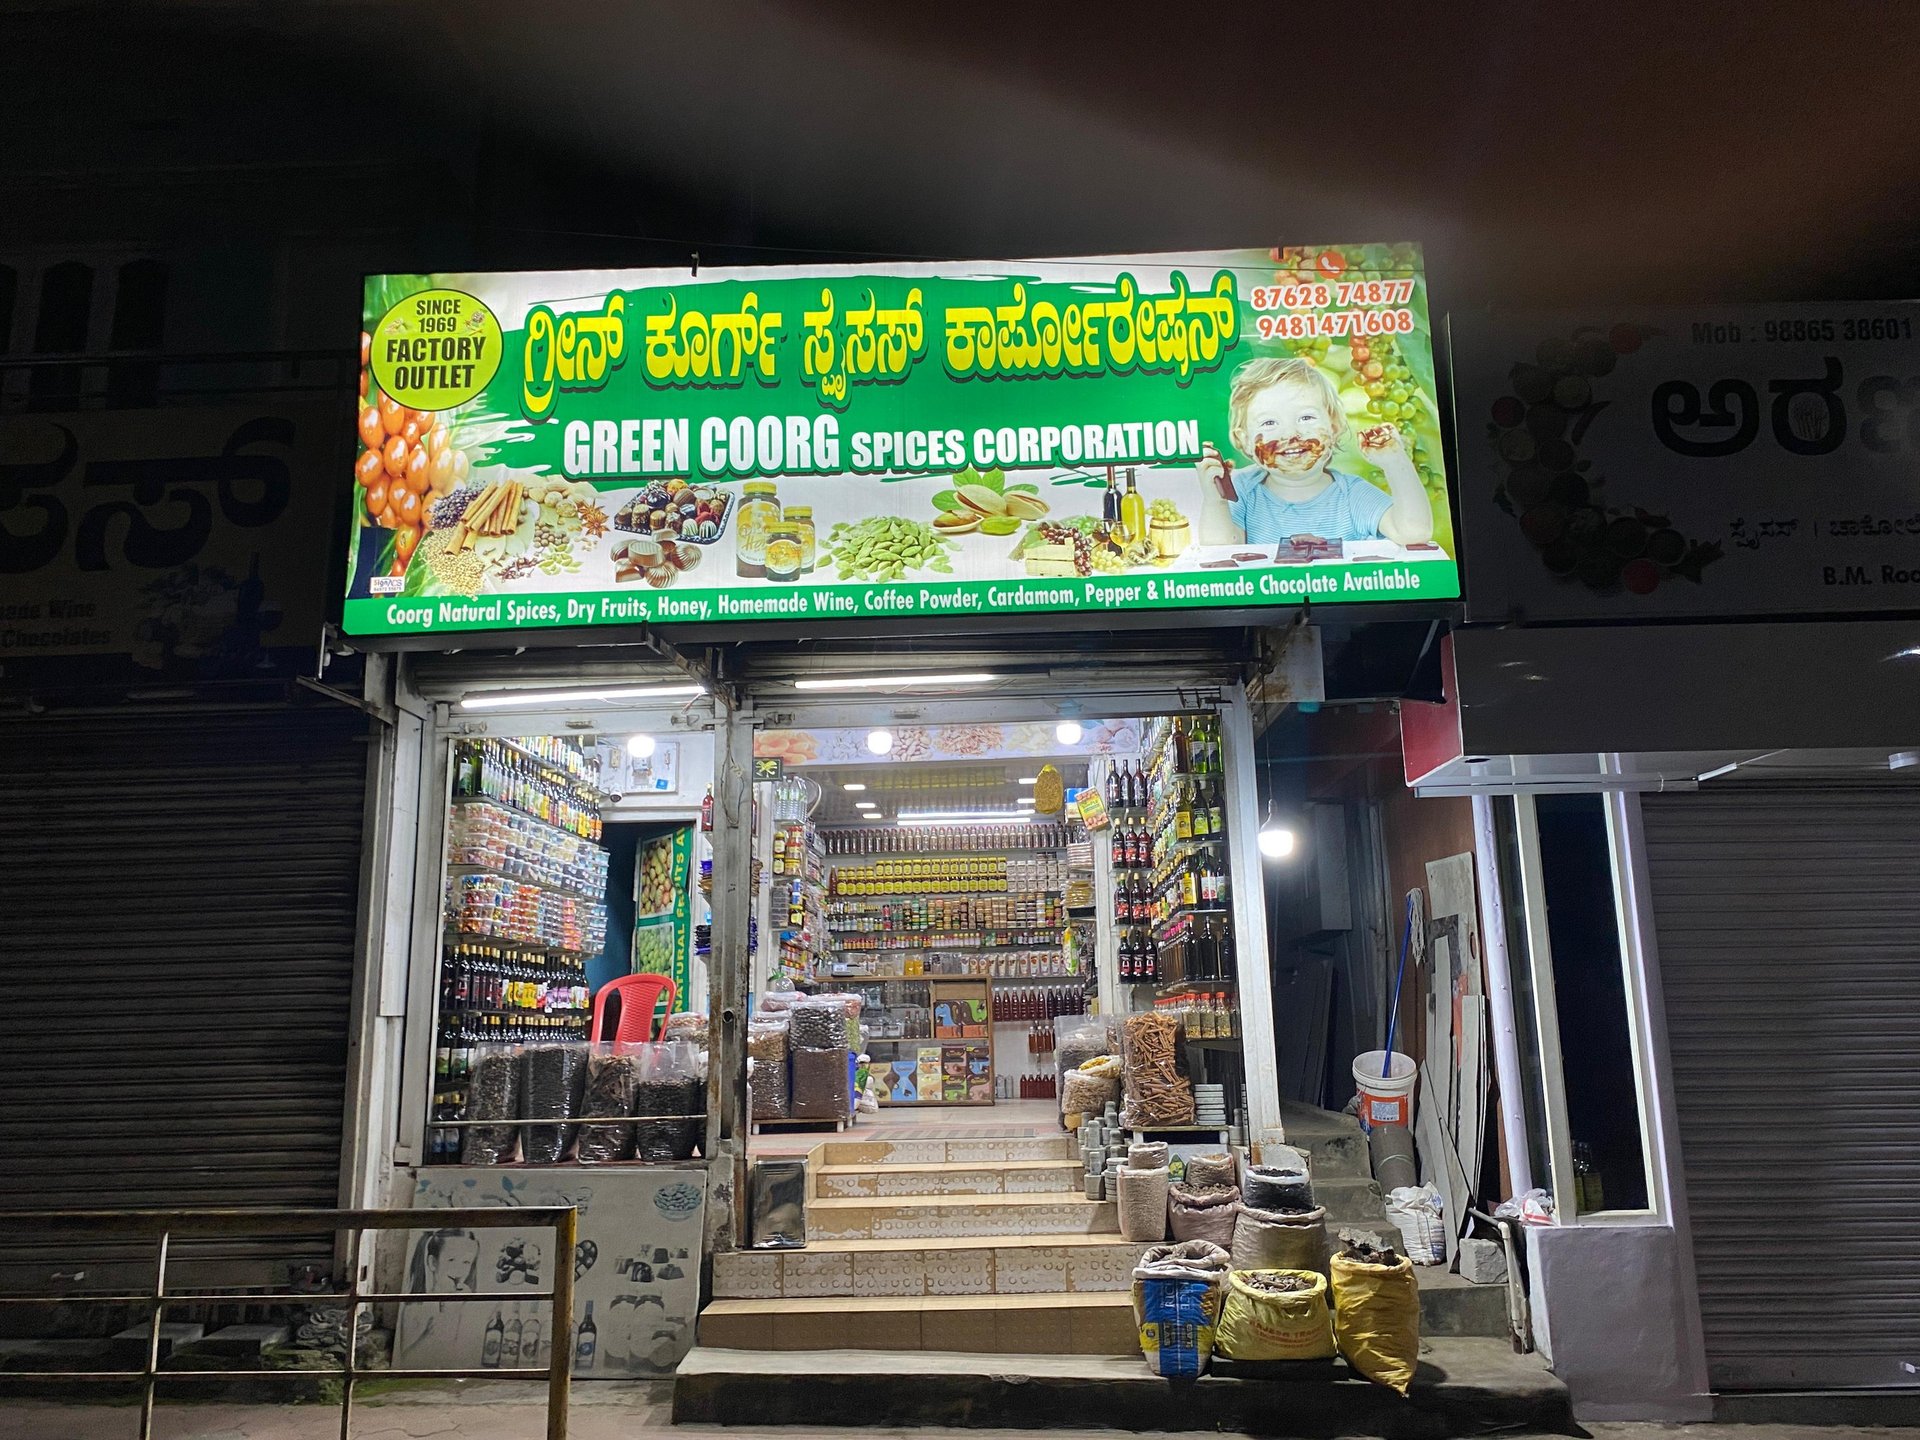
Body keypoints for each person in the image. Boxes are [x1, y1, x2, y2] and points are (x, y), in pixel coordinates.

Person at [1195, 355, 1434, 547]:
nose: (1290, 434)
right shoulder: (1243, 491)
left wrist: (1395, 462)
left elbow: (1414, 532)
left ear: (1334, 427)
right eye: (1269, 423)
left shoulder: (1351, 495)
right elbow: (1219, 548)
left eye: (1306, 417)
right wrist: (1215, 499)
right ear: (1244, 440)